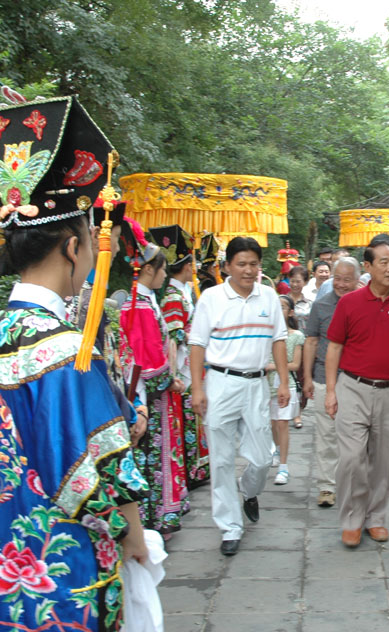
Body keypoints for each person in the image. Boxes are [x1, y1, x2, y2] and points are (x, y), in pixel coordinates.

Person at [0, 95, 148, 630]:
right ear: (72, 247)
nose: (92, 252)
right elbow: (95, 468)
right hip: (58, 565)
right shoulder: (65, 347)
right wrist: (133, 532)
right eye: (91, 239)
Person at [189, 237, 291, 557]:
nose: (248, 270)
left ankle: (248, 492)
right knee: (220, 459)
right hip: (220, 382)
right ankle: (230, 527)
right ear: (227, 266)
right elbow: (196, 345)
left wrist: (285, 383)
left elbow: (278, 341)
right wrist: (197, 387)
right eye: (242, 264)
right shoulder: (211, 298)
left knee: (262, 458)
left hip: (256, 384)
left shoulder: (269, 297)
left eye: (254, 264)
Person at [325, 238, 389, 547]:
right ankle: (352, 519)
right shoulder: (349, 303)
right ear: (368, 268)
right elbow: (334, 348)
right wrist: (331, 391)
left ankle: (376, 518)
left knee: (383, 459)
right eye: (382, 262)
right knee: (352, 458)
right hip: (353, 388)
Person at [119, 224, 189, 536]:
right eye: (161, 268)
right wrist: (168, 379)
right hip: (151, 397)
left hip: (155, 393)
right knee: (153, 457)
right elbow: (143, 359)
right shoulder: (140, 307)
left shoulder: (142, 303)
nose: (164, 274)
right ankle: (155, 518)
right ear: (149, 269)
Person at [66, 196, 147, 448]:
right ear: (95, 236)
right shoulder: (85, 300)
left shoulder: (83, 295)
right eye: (116, 237)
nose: (119, 248)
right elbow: (95, 373)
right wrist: (132, 413)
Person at [151, 224, 210, 490]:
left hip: (192, 363)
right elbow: (174, 337)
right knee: (187, 418)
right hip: (185, 365)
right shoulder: (174, 296)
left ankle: (197, 468)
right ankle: (192, 470)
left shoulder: (180, 293)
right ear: (187, 266)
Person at [302, 257, 361, 508]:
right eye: (337, 278)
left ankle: (352, 484)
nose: (341, 284)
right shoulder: (322, 304)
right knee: (326, 433)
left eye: (347, 279)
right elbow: (312, 341)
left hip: (357, 380)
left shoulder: (365, 304)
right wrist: (306, 378)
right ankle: (327, 486)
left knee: (355, 436)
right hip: (324, 378)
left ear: (358, 280)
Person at [267, 295, 305, 485]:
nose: (278, 310)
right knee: (273, 423)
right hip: (266, 385)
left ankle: (284, 466)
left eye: (282, 307)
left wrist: (273, 366)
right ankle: (276, 449)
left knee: (282, 423)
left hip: (286, 383)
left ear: (290, 312)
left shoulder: (296, 336)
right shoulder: (266, 334)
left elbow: (295, 364)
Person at [287, 264, 313, 332]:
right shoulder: (282, 301)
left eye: (298, 282)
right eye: (292, 281)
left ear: (305, 282)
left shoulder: (309, 304)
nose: (295, 284)